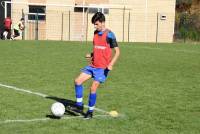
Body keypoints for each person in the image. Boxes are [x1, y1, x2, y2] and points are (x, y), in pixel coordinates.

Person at [70, 12, 120, 119]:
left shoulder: (110, 34)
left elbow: (117, 51)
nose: (95, 26)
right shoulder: (95, 34)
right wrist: (92, 55)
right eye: (94, 24)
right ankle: (79, 106)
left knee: (93, 88)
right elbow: (98, 48)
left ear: (102, 22)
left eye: (96, 24)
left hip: (102, 69)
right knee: (77, 81)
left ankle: (90, 112)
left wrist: (111, 64)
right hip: (93, 65)